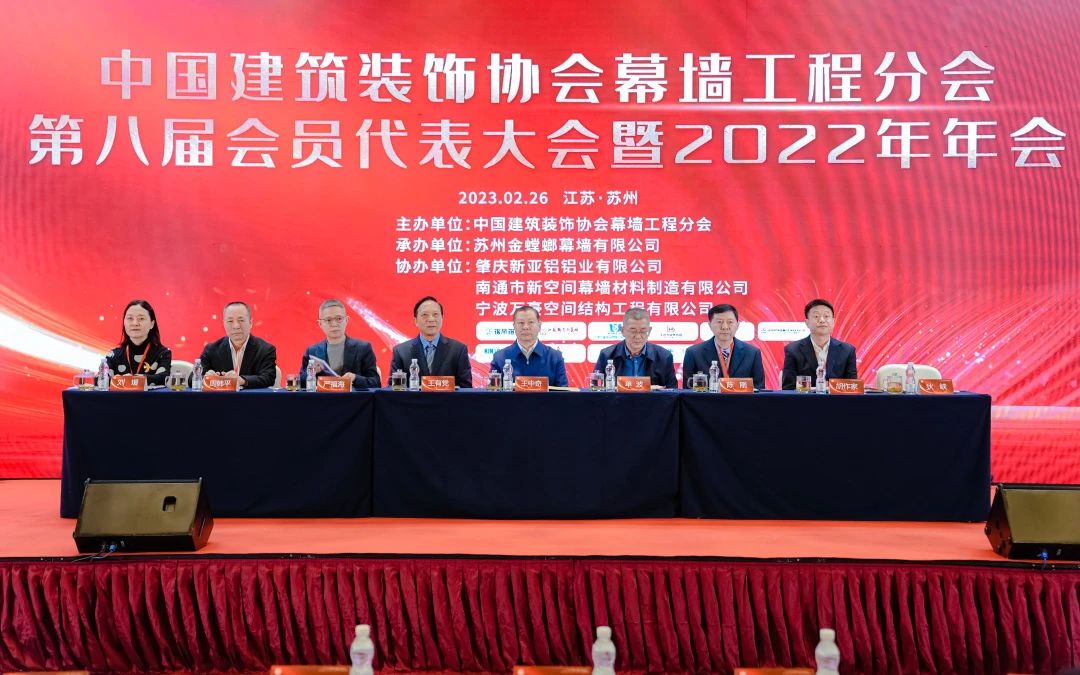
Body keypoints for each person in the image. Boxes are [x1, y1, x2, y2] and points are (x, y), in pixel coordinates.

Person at [389, 296, 473, 388]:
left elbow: (466, 388)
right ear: (416, 321)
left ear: (442, 318)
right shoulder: (401, 352)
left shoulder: (458, 350)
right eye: (425, 315)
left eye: (435, 314)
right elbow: (393, 389)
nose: (431, 319)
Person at [299, 299, 380, 390]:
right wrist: (311, 373)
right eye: (328, 320)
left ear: (346, 320)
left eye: (339, 319)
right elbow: (300, 383)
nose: (334, 324)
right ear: (320, 324)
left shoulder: (363, 348)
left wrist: (355, 378)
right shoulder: (312, 351)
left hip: (353, 398)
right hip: (323, 398)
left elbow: (376, 383)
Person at [682, 303, 765, 389]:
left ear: (737, 325)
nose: (725, 327)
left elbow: (759, 389)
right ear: (710, 325)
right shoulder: (693, 353)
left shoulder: (752, 353)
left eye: (730, 322)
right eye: (719, 322)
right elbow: (688, 390)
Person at [196, 301, 277, 389]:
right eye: (230, 321)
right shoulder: (211, 349)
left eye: (241, 320)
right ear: (224, 324)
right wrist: (207, 378)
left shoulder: (266, 350)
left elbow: (268, 378)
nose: (236, 326)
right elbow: (192, 378)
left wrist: (241, 380)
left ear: (250, 323)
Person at [781, 298, 858, 390]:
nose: (822, 320)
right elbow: (788, 388)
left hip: (837, 399)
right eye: (816, 316)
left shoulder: (847, 350)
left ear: (833, 322)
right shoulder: (793, 350)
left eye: (826, 316)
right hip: (805, 399)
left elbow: (852, 387)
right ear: (807, 323)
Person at [594, 307, 677, 388]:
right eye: (633, 331)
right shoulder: (607, 355)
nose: (638, 336)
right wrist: (650, 388)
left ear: (649, 331)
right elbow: (595, 390)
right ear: (622, 330)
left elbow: (673, 392)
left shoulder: (664, 357)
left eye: (643, 331)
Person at [489, 305, 569, 386]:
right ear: (514, 326)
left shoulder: (554, 357)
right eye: (521, 323)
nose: (526, 327)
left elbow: (563, 391)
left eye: (531, 322)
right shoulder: (500, 357)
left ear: (539, 326)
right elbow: (493, 392)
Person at [104, 299, 172, 386]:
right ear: (124, 322)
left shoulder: (163, 353)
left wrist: (131, 380)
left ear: (152, 324)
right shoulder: (113, 354)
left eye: (141, 318)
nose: (135, 323)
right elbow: (101, 379)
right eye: (130, 318)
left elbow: (163, 378)